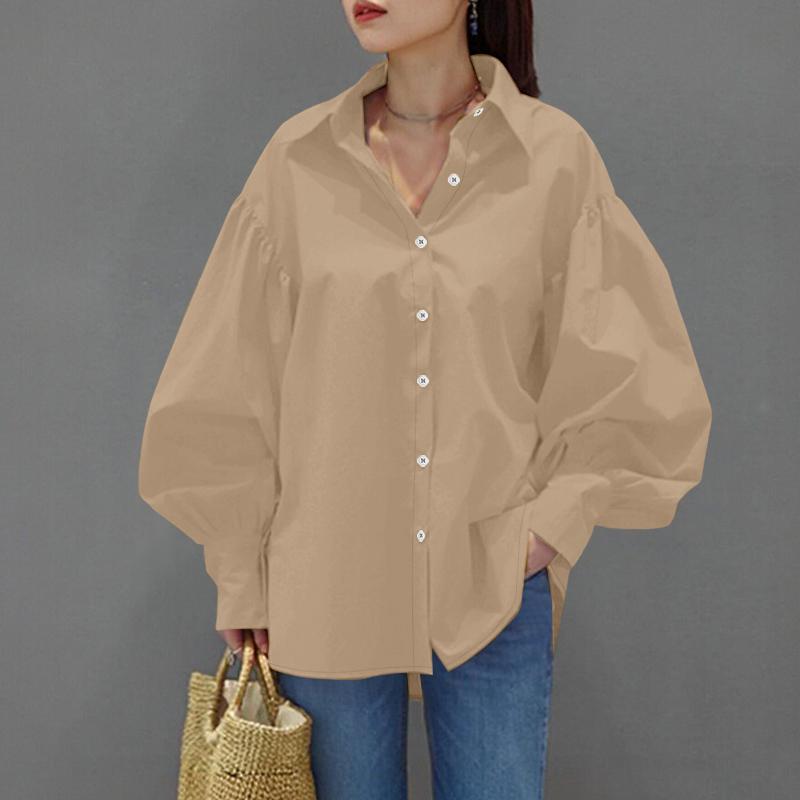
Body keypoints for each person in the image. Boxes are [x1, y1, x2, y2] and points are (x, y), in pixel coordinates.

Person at [137, 1, 713, 797]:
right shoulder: (298, 162)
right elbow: (227, 382)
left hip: (492, 588)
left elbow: (633, 370)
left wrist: (548, 529)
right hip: (326, 582)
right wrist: (240, 568)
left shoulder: (552, 159)